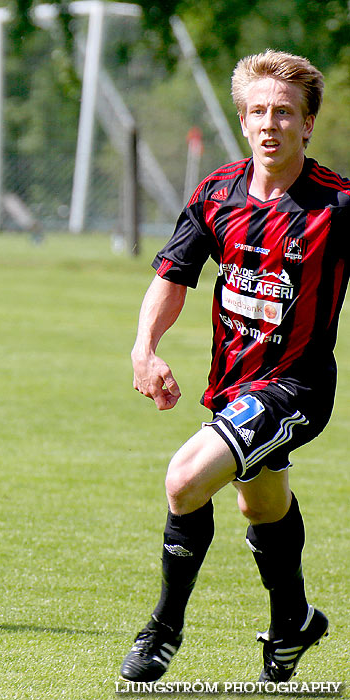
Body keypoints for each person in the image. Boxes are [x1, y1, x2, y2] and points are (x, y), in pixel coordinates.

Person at [120, 49, 341, 683]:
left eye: (286, 113)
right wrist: (145, 348)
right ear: (243, 121)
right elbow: (172, 276)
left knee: (185, 478)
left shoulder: (337, 205)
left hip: (297, 388)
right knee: (262, 506)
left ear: (307, 124)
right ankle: (294, 621)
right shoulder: (218, 193)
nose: (271, 124)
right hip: (234, 386)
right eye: (259, 112)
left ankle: (163, 628)